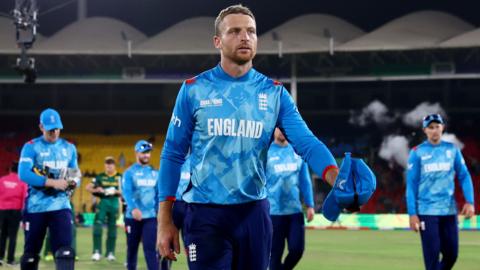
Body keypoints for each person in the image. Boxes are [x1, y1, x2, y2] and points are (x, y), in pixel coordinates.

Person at [156, 5, 339, 269]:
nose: (245, 37)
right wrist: (165, 220)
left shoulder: (274, 93)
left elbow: (307, 144)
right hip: (205, 214)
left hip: (254, 214)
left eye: (251, 31)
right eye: (235, 31)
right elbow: (172, 155)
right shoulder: (193, 90)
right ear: (217, 41)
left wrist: (336, 177)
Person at [406, 113, 475, 270]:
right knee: (432, 257)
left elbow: (464, 176)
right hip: (426, 211)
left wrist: (470, 202)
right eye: (431, 127)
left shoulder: (452, 150)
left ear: (443, 127)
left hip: (449, 211)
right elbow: (411, 185)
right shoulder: (417, 152)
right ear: (425, 130)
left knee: (452, 255)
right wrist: (412, 214)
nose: (435, 130)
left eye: (437, 126)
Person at [18, 108, 80, 270]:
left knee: (65, 253)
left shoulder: (69, 148)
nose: (54, 133)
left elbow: (74, 173)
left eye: (57, 129)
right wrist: (52, 182)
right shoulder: (31, 147)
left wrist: (73, 182)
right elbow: (23, 174)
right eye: (50, 129)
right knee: (30, 255)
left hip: (61, 206)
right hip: (35, 207)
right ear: (41, 127)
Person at [266, 128, 315, 270]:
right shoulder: (266, 152)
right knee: (274, 256)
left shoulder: (297, 152)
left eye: (284, 128)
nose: (281, 131)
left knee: (297, 250)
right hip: (273, 213)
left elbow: (304, 181)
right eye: (278, 128)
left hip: (294, 212)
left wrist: (310, 205)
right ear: (273, 130)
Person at [122, 140, 167, 270]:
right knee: (132, 249)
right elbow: (127, 192)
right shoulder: (129, 173)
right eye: (143, 152)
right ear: (137, 153)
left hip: (151, 217)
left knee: (150, 249)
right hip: (132, 217)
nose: (146, 155)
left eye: (148, 152)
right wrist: (134, 208)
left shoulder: (155, 173)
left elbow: (159, 194)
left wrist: (160, 212)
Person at [86, 156, 122, 261]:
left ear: (114, 165)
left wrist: (115, 191)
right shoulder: (100, 176)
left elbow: (125, 191)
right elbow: (88, 187)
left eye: (111, 163)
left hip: (114, 202)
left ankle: (110, 253)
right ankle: (96, 252)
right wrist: (97, 189)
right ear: (105, 165)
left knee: (112, 228)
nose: (109, 165)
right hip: (103, 202)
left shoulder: (119, 177)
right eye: (107, 163)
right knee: (97, 225)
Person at [0, 162, 27, 266]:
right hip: (15, 211)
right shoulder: (22, 182)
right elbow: (24, 198)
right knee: (12, 236)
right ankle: (10, 259)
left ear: (10, 170)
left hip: (2, 210)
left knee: (2, 235)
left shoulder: (2, 180)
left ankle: (0, 257)